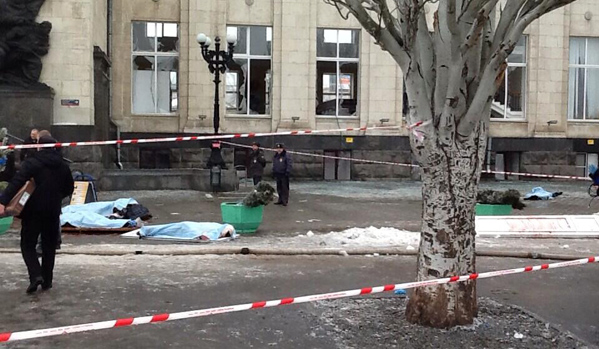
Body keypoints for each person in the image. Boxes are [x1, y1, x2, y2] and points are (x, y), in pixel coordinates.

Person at [0, 133, 74, 294]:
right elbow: (69, 187)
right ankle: (47, 281)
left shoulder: (32, 163)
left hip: (32, 211)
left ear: (39, 145)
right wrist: (56, 196)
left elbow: (17, 182)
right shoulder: (62, 166)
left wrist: (3, 201)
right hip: (53, 211)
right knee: (49, 246)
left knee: (27, 245)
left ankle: (35, 275)